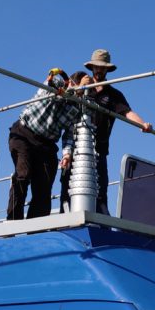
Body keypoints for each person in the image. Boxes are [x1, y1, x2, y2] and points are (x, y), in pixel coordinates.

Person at [82, 49, 152, 215]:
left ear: (107, 70)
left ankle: (102, 227)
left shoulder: (114, 95)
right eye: (96, 67)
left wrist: (142, 124)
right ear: (92, 68)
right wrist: (79, 87)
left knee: (100, 194)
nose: (99, 70)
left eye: (102, 67)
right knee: (72, 188)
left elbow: (127, 113)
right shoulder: (82, 87)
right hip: (78, 149)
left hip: (100, 150)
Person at [7, 67, 80, 220]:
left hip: (46, 145)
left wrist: (67, 154)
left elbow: (69, 134)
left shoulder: (76, 108)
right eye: (80, 86)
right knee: (23, 175)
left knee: (44, 188)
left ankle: (35, 230)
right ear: (71, 83)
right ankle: (13, 222)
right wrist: (67, 90)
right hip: (23, 134)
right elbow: (48, 87)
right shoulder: (54, 85)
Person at [59, 71, 92, 212]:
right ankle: (64, 216)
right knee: (66, 186)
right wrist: (67, 154)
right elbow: (68, 132)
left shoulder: (84, 105)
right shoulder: (66, 97)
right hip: (73, 151)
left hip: (84, 150)